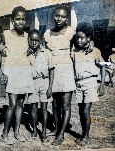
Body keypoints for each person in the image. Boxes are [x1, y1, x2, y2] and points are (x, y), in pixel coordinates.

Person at [44, 4, 77, 146]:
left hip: (67, 69)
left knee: (66, 105)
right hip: (53, 71)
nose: (59, 18)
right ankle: (58, 130)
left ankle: (61, 135)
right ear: (53, 16)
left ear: (67, 19)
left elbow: (83, 43)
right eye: (57, 15)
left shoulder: (71, 32)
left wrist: (92, 43)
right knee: (55, 105)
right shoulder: (47, 33)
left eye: (63, 16)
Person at [1, 6, 34, 144]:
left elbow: (38, 46)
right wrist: (1, 49)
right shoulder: (6, 34)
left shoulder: (28, 36)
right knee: (12, 104)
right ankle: (4, 134)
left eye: (23, 19)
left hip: (25, 72)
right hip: (11, 73)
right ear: (12, 20)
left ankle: (16, 132)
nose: (20, 22)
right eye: (18, 19)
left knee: (20, 103)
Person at [71, 22, 105, 146]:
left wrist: (101, 84)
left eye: (82, 38)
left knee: (86, 110)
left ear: (89, 38)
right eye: (77, 37)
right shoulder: (74, 50)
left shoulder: (95, 51)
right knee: (81, 111)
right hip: (78, 84)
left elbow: (103, 66)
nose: (79, 40)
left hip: (91, 82)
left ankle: (86, 136)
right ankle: (83, 134)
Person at [26, 29, 54, 143]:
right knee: (33, 108)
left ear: (40, 41)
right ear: (28, 40)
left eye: (36, 40)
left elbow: (51, 70)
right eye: (31, 40)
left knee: (44, 108)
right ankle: (34, 130)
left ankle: (43, 132)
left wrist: (50, 87)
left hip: (44, 82)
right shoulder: (27, 54)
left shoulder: (47, 53)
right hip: (32, 83)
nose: (34, 42)